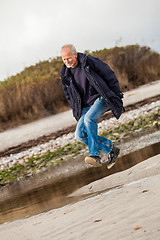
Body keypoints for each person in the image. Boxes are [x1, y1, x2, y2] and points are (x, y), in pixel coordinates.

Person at [60, 44, 124, 169]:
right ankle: (111, 149)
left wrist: (115, 94)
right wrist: (77, 111)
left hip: (102, 98)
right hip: (85, 106)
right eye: (64, 59)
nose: (67, 61)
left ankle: (94, 155)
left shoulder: (89, 62)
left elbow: (109, 74)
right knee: (79, 135)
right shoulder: (65, 75)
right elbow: (69, 96)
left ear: (75, 54)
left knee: (89, 119)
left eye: (69, 58)